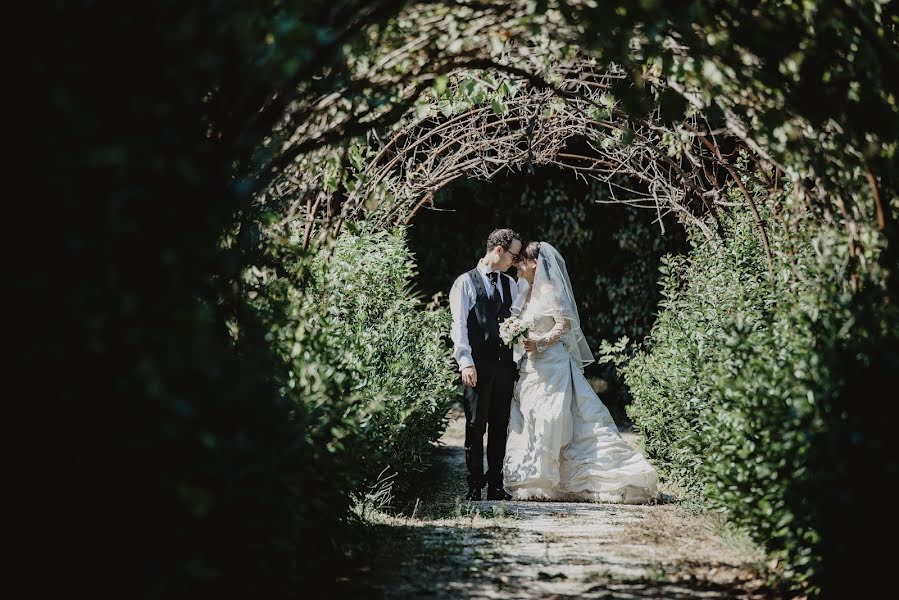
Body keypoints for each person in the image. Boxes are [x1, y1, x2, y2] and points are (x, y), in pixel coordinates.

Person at [503, 241, 658, 503]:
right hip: (531, 367)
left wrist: (539, 343)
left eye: (522, 260)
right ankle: (534, 479)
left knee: (553, 418)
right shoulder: (526, 291)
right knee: (530, 418)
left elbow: (564, 325)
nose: (517, 264)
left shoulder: (549, 290)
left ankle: (563, 477)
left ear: (535, 263)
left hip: (553, 366)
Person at [449, 228, 522, 501]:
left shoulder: (510, 284)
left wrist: (517, 361)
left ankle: (496, 485)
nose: (514, 263)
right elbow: (458, 326)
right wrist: (465, 361)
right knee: (476, 424)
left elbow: (516, 324)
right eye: (513, 256)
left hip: (504, 366)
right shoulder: (465, 283)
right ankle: (474, 485)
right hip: (477, 365)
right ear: (499, 250)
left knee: (500, 425)